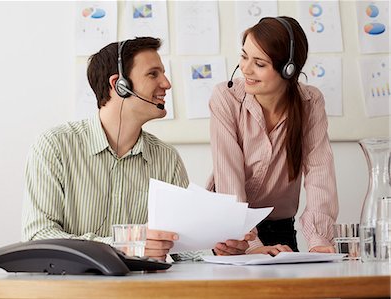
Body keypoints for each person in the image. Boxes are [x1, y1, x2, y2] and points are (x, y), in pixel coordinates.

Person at [22, 37, 253, 260]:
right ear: (119, 85)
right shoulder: (54, 147)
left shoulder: (166, 158)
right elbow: (38, 236)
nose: (167, 83)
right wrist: (129, 244)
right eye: (153, 74)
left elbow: (180, 244)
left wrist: (215, 248)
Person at [207, 17, 339, 256]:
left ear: (288, 69)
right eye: (244, 56)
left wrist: (319, 239)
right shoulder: (226, 98)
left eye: (259, 63)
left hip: (281, 230)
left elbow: (320, 172)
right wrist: (252, 246)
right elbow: (229, 178)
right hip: (234, 233)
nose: (246, 69)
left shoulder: (310, 102)